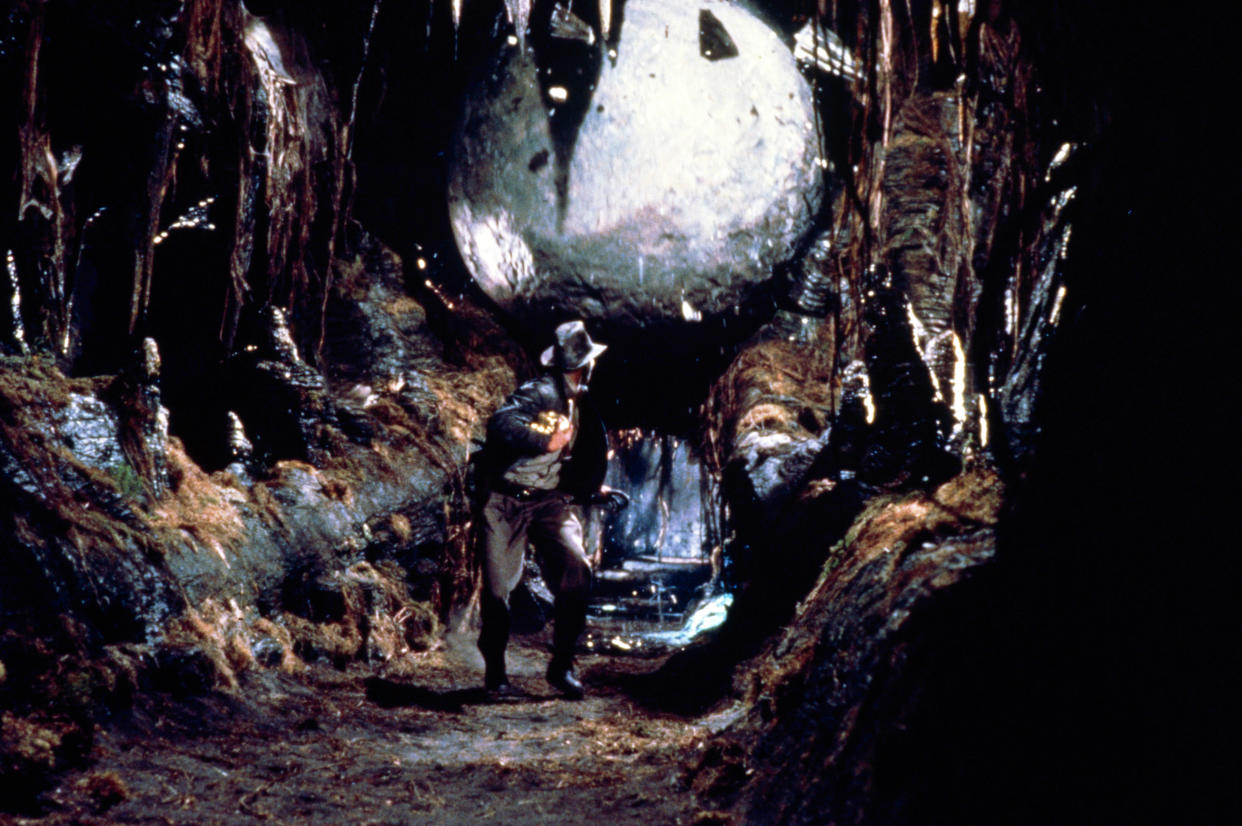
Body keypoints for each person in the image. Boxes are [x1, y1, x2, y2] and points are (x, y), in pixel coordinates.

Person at [476, 320, 612, 698]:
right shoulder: (539, 391)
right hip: (506, 501)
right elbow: (501, 423)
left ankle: (562, 666)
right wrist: (544, 441)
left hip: (549, 501)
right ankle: (496, 677)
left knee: (576, 568)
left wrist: (589, 486)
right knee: (498, 587)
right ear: (584, 364)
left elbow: (577, 454)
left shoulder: (581, 400)